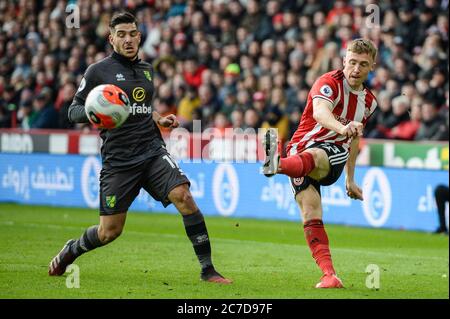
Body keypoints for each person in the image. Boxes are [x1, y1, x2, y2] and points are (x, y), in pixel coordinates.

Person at [48, 12, 232, 285]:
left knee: (184, 196)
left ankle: (208, 270)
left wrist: (158, 117)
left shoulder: (147, 70)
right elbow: (73, 111)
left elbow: (141, 106)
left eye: (132, 33)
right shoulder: (97, 71)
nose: (128, 39)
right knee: (109, 232)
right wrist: (97, 111)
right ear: (111, 39)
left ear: (139, 35)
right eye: (121, 35)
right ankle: (72, 250)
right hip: (119, 160)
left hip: (152, 150)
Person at [263, 38, 378, 288]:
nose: (356, 69)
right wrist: (343, 127)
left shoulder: (369, 102)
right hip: (299, 149)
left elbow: (354, 138)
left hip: (334, 152)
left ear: (372, 67)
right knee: (310, 212)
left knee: (316, 156)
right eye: (352, 63)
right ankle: (329, 275)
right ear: (344, 61)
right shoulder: (327, 82)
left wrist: (350, 179)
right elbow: (320, 113)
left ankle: (277, 165)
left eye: (363, 64)